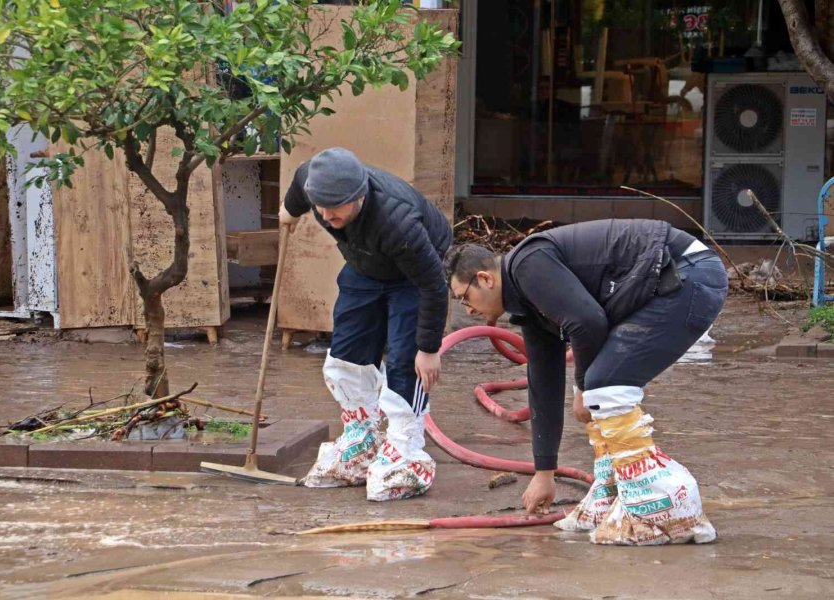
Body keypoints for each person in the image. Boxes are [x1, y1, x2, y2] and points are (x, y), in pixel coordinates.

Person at [443, 219, 727, 545]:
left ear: (485, 279)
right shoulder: (528, 304)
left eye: (464, 298)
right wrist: (544, 473)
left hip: (689, 274)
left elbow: (587, 322)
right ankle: (615, 490)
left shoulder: (528, 265)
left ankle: (665, 512)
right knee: (600, 385)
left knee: (604, 385)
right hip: (667, 280)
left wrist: (583, 390)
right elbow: (544, 381)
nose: (467, 310)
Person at [279, 147, 451, 501]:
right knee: (347, 346)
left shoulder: (398, 221)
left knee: (406, 356)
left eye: (336, 207)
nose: (327, 215)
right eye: (320, 207)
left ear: (359, 196)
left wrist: (430, 348)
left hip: (413, 274)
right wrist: (289, 212)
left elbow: (433, 285)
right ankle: (361, 435)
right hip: (366, 261)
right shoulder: (316, 182)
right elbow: (299, 183)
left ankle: (405, 449)